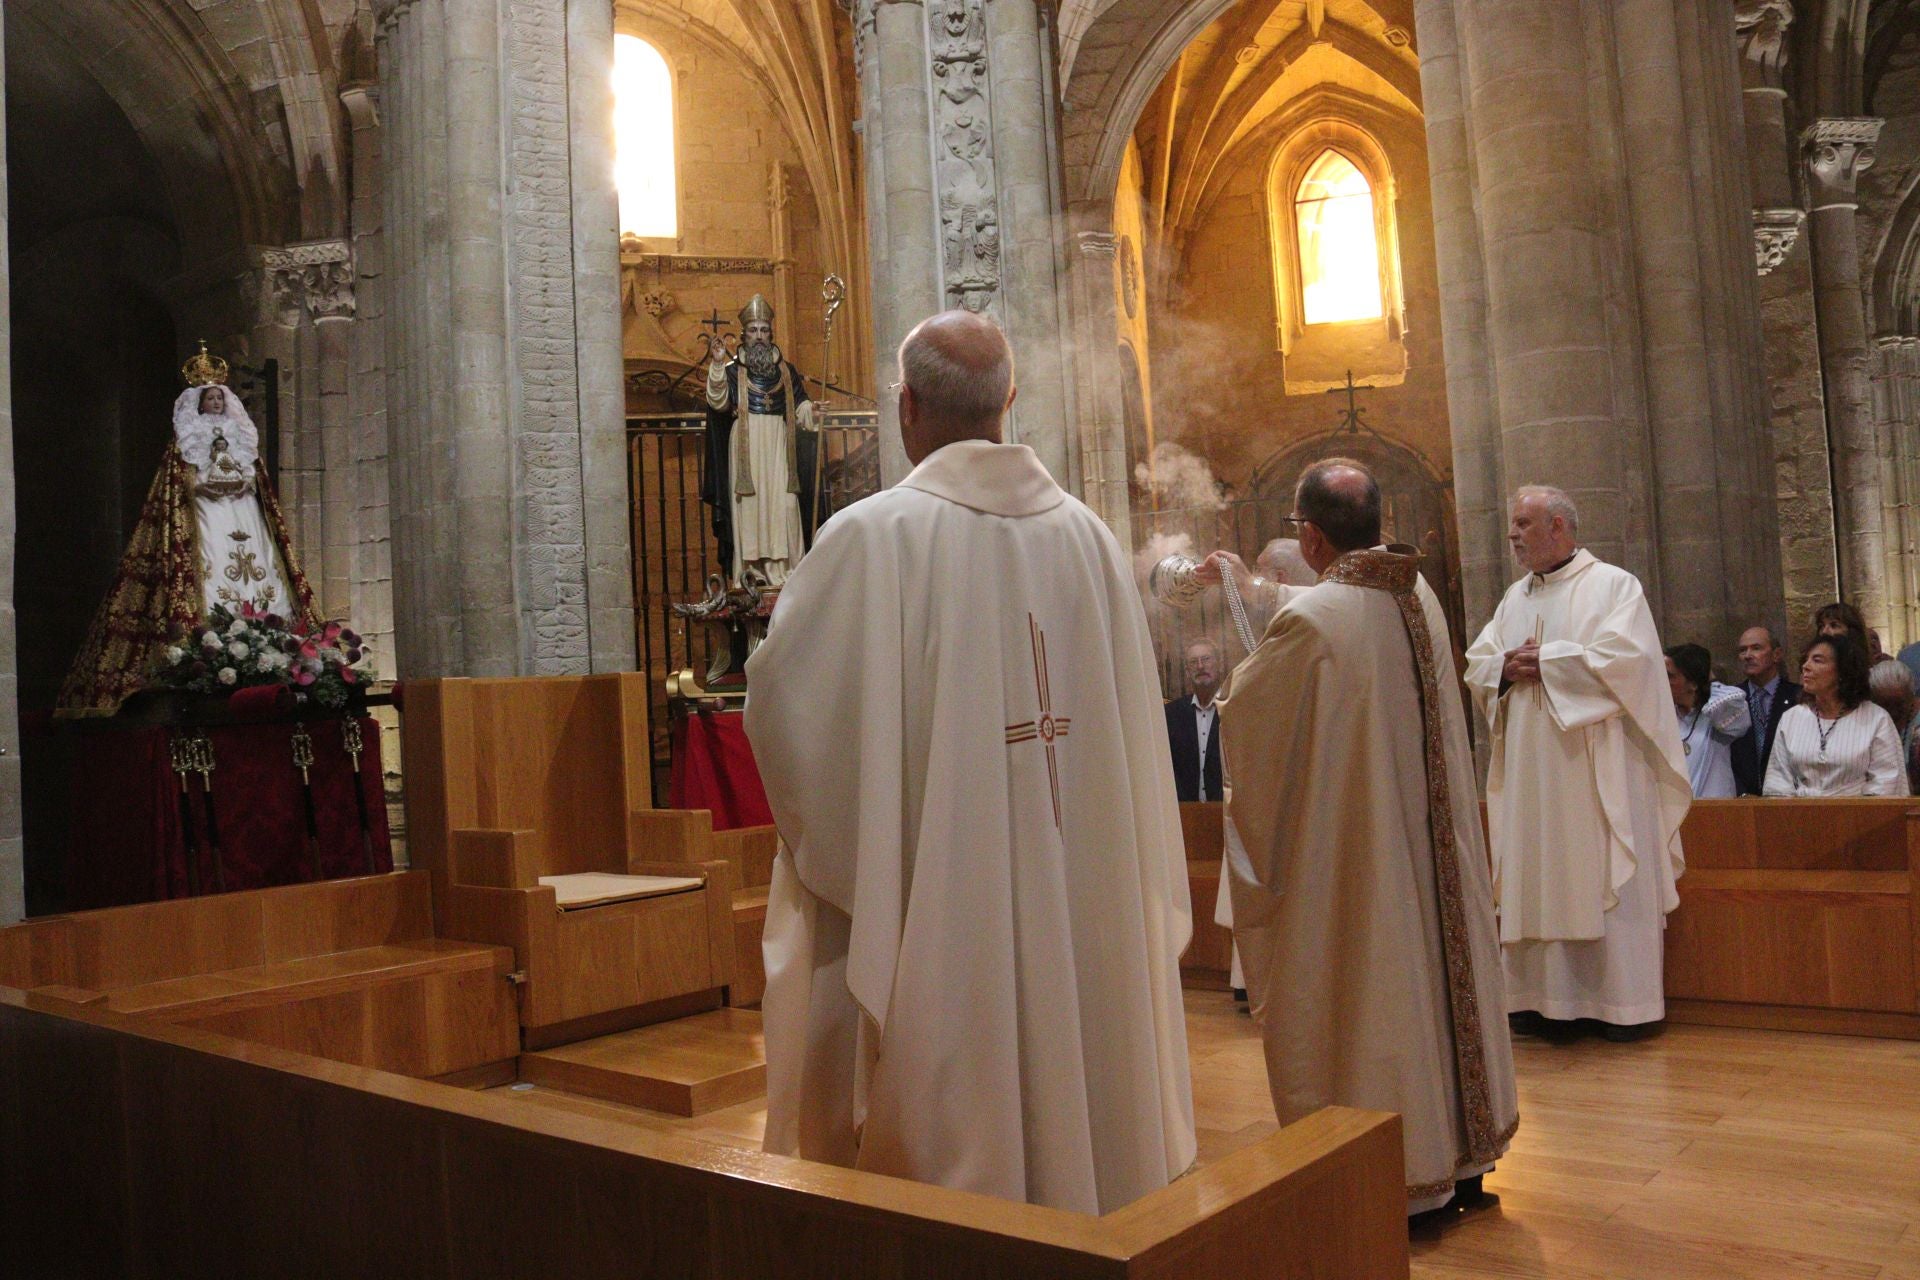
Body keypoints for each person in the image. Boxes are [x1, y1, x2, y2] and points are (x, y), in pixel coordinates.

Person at [743, 310, 1196, 1214]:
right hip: (1081, 888)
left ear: (905, 406)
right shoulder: (1091, 542)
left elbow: (790, 717)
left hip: (938, 899)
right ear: (1010, 402)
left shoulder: (873, 539)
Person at [1219, 460, 1517, 1217]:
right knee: (1444, 986)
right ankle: (1466, 1153)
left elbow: (1255, 716)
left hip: (1369, 855)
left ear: (1311, 537)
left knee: (1380, 987)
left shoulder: (1315, 621)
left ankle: (1406, 1182)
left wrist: (1231, 697)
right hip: (1435, 847)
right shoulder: (1417, 594)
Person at [1465, 486, 1690, 1042]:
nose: (1513, 535)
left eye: (1523, 524)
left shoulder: (1614, 586)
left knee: (1599, 872)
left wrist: (1551, 663)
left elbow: (1630, 663)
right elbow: (1479, 661)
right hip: (1532, 769)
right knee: (1537, 868)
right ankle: (1538, 1003)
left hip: (1597, 763)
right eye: (1513, 525)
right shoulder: (1514, 598)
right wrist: (1502, 670)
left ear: (1559, 526)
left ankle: (1619, 1006)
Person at [58, 344, 319, 714]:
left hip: (242, 511)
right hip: (206, 512)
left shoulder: (241, 437)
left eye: (218, 397)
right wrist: (202, 487)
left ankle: (267, 634)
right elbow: (183, 483)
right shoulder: (188, 439)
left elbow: (255, 479)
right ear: (198, 402)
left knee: (257, 566)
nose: (214, 402)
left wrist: (245, 484)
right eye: (209, 398)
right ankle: (213, 638)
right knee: (211, 561)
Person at [702, 294, 814, 585]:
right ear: (744, 335)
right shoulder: (732, 371)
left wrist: (810, 409)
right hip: (746, 444)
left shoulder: (786, 372)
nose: (759, 336)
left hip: (778, 443)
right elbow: (718, 402)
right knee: (750, 506)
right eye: (753, 330)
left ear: (771, 333)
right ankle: (751, 569)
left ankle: (784, 568)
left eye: (764, 330)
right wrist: (716, 365)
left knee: (783, 503)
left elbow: (800, 404)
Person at [1764, 637, 1907, 796]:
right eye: (1805, 660)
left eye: (1817, 660)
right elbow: (1777, 781)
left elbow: (1886, 782)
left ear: (1843, 671)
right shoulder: (1791, 718)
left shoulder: (1876, 719)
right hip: (1799, 816)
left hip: (1859, 816)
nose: (1806, 666)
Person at [1664, 643, 1750, 799]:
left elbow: (1733, 702)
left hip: (1714, 811)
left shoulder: (1717, 712)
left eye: (1670, 676)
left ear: (1693, 683)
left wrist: (1707, 679)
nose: (1661, 680)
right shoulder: (1666, 714)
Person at [1731, 625, 1799, 796]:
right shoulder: (1731, 699)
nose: (1747, 656)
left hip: (1788, 797)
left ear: (1776, 654)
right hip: (1742, 800)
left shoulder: (1798, 697)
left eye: (1756, 648)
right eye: (1742, 650)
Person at [1166, 637, 1224, 802]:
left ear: (1218, 664)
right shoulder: (1171, 714)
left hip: (1228, 815)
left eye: (1206, 659)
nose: (1200, 666)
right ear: (1187, 671)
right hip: (1184, 815)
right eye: (1193, 662)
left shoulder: (1236, 710)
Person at [1869, 657, 1920, 793]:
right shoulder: (1867, 719)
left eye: (1899, 703)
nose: (1893, 711)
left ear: (1912, 694)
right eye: (1885, 704)